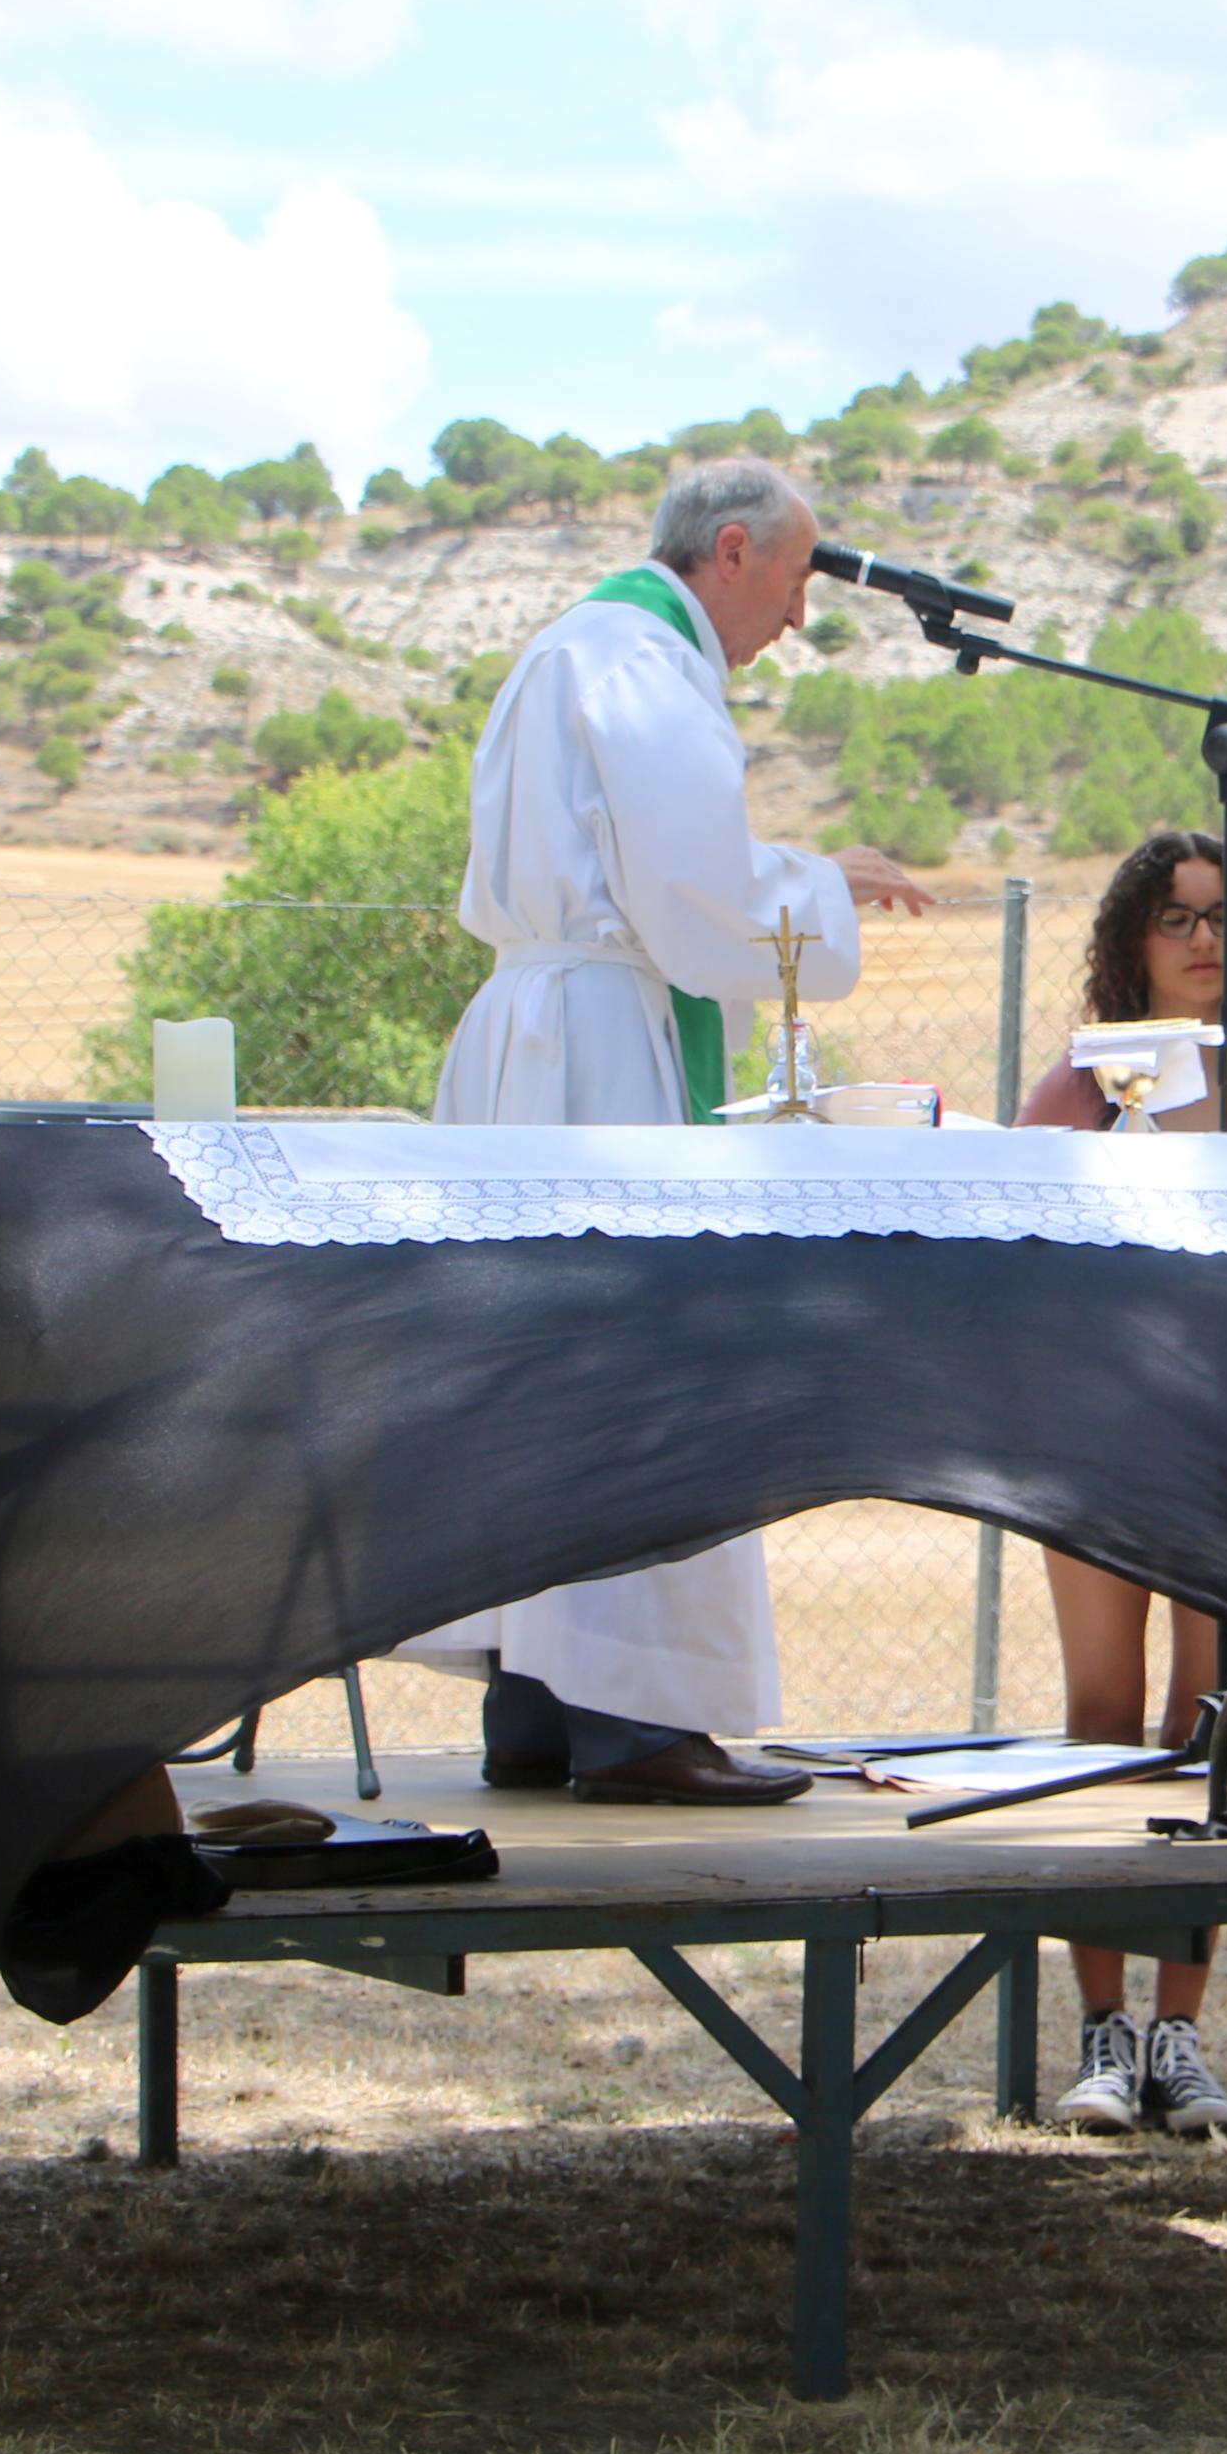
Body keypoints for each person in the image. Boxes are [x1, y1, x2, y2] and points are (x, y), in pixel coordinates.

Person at [397, 458, 935, 1805]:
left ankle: (537, 1701)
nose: (802, 614)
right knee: (641, 1368)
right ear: (735, 549)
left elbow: (653, 871)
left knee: (539, 1372)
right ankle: (634, 1723)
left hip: (539, 1040)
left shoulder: (578, 645)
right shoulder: (640, 659)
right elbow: (693, 900)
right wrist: (824, 882)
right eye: (801, 574)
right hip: (594, 1059)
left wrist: (797, 878)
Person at [1014, 833, 1227, 2137]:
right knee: (1102, 1709)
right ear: (1128, 940)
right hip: (1099, 1424)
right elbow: (1019, 1241)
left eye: (1221, 917)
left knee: (1206, 1720)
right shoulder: (1081, 1077)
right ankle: (1098, 2031)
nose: (1200, 940)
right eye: (1172, 918)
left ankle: (1180, 2036)